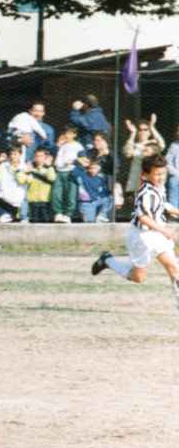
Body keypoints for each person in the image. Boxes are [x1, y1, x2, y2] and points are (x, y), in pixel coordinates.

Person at [92, 154, 179, 311]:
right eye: (157, 174)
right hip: (142, 237)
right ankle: (108, 261)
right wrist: (165, 230)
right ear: (145, 175)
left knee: (174, 268)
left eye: (163, 173)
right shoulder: (145, 192)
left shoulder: (159, 187)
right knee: (138, 277)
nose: (161, 177)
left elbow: (162, 204)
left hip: (157, 235)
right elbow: (143, 217)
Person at [123, 115, 165, 197]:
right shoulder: (134, 145)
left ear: (149, 132)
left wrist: (152, 127)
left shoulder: (152, 144)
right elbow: (127, 153)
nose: (142, 132)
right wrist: (132, 133)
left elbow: (162, 145)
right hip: (136, 179)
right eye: (140, 130)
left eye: (145, 130)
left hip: (151, 178)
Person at [0, 146, 29, 223]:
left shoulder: (25, 167)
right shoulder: (4, 165)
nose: (13, 156)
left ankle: (5, 215)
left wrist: (16, 170)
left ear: (20, 155)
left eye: (15, 154)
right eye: (11, 154)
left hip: (15, 200)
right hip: (1, 196)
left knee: (11, 220)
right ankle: (3, 215)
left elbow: (22, 180)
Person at [51, 125, 84, 223]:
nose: (67, 135)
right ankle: (58, 213)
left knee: (71, 194)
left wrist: (74, 161)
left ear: (74, 135)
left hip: (71, 172)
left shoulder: (78, 146)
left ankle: (68, 214)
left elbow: (84, 160)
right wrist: (57, 145)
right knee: (56, 193)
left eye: (70, 133)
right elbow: (52, 155)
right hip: (59, 171)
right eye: (66, 133)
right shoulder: (61, 145)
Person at [73, 156, 113, 223]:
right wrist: (81, 163)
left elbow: (105, 192)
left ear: (99, 169)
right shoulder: (83, 175)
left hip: (97, 200)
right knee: (89, 223)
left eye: (95, 168)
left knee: (110, 198)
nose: (93, 170)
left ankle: (102, 216)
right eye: (91, 168)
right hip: (87, 202)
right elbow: (74, 172)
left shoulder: (100, 178)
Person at [26, 147, 56, 223]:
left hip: (45, 200)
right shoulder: (30, 168)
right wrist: (29, 171)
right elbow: (26, 180)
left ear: (45, 157)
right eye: (36, 156)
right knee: (34, 221)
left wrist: (49, 166)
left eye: (41, 156)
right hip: (33, 200)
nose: (38, 158)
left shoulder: (49, 168)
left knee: (47, 221)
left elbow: (52, 178)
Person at [167, 128, 179, 209]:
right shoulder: (174, 145)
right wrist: (177, 173)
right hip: (177, 175)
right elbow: (168, 162)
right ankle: (174, 213)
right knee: (173, 181)